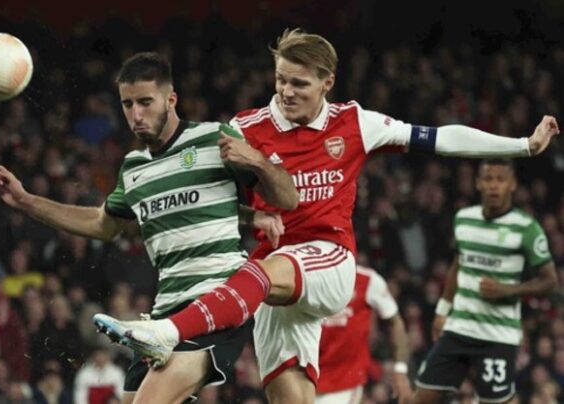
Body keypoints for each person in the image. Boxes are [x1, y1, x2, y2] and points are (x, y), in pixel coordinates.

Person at [97, 29, 560, 403]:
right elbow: (209, 197)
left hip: (327, 260)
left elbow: (440, 138)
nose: (286, 91)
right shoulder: (246, 127)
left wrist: (522, 146)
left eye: (299, 83)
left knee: (257, 271)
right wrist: (249, 217)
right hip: (275, 283)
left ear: (327, 83)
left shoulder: (354, 123)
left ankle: (167, 331)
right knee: (287, 395)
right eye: (281, 80)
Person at [0, 51, 298, 404]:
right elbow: (102, 224)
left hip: (216, 301)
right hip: (164, 313)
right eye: (128, 104)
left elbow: (288, 198)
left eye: (145, 102)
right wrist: (27, 201)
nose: (136, 114)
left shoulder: (214, 138)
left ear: (171, 99)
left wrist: (257, 161)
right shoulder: (134, 168)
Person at [412, 159, 558, 404]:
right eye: (488, 179)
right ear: (478, 183)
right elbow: (457, 265)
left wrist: (507, 290)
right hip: (460, 327)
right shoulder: (463, 219)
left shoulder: (526, 228)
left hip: (498, 335)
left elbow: (550, 282)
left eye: (501, 179)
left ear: (512, 184)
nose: (494, 186)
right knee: (422, 397)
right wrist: (442, 310)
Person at [317, 264, 411, 404]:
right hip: (304, 377)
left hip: (345, 382)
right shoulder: (303, 279)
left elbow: (395, 322)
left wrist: (400, 370)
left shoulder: (367, 280)